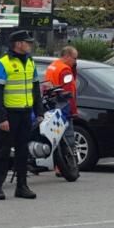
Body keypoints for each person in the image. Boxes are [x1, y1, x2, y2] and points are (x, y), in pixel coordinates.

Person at [0, 30, 45, 200]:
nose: (29, 45)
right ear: (18, 44)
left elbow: (35, 88)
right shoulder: (1, 64)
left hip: (25, 113)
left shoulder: (30, 62)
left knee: (23, 151)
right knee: (4, 151)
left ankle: (21, 186)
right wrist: (2, 118)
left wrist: (39, 111)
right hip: (10, 113)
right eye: (27, 42)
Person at [44, 46, 79, 175]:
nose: (75, 62)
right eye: (74, 58)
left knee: (56, 136)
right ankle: (67, 167)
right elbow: (68, 91)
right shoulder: (65, 70)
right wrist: (73, 111)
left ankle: (57, 166)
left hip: (52, 103)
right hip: (63, 105)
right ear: (67, 56)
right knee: (67, 137)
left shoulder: (53, 66)